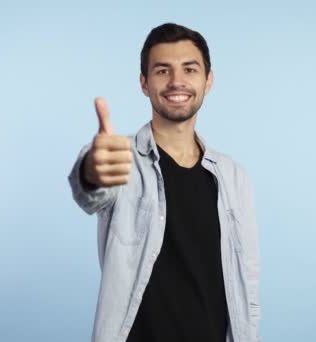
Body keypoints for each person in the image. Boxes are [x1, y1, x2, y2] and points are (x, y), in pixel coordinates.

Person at [69, 23, 260, 342]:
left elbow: (248, 285)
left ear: (208, 80)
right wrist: (92, 170)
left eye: (189, 69)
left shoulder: (233, 176)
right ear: (144, 83)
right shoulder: (121, 157)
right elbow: (91, 192)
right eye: (162, 71)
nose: (176, 82)